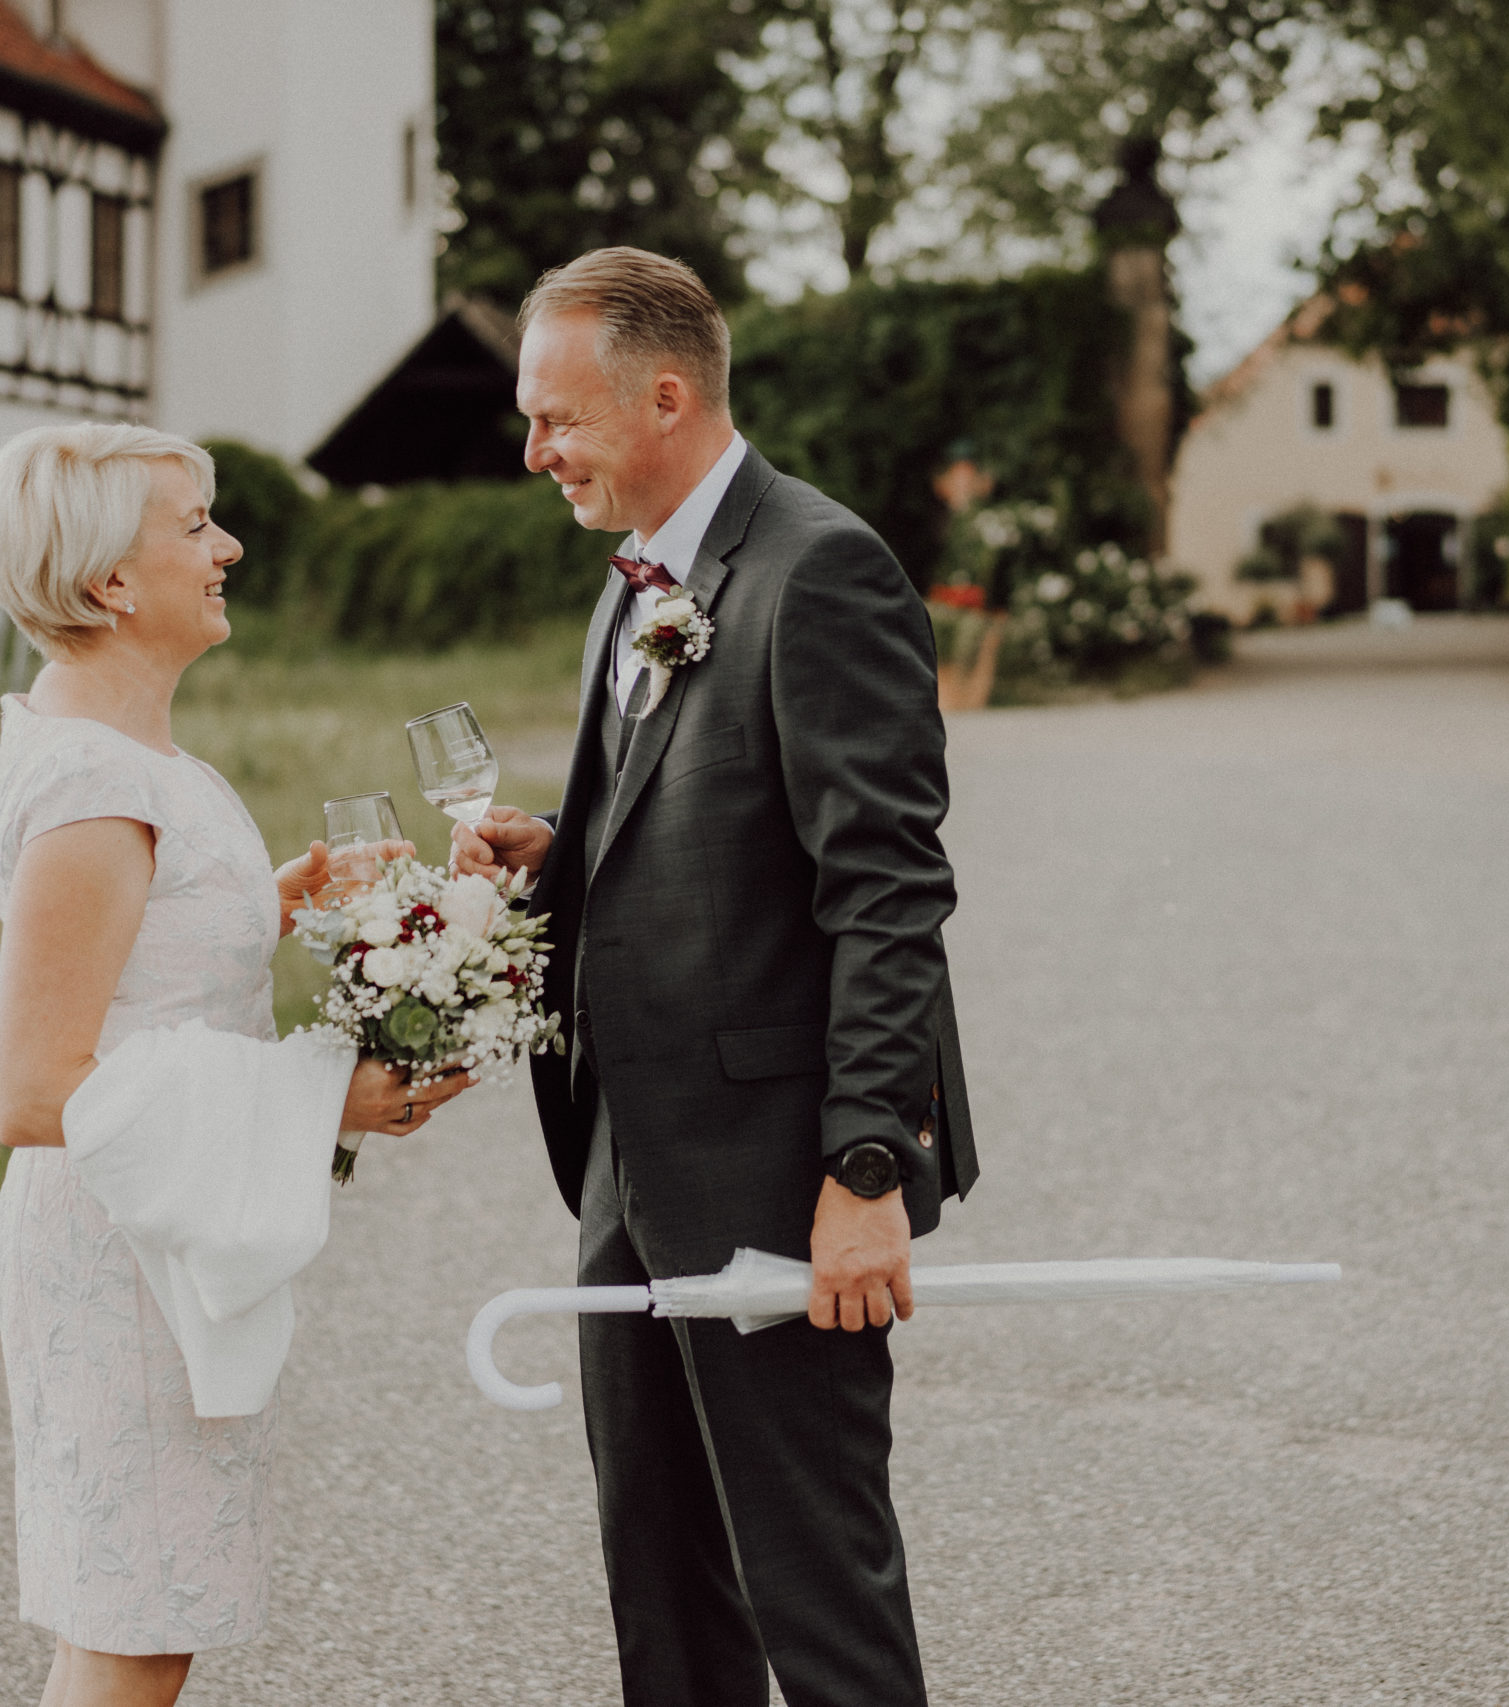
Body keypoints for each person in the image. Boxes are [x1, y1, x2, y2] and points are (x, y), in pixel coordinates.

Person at [453, 247, 979, 1707]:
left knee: (816, 1600)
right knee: (666, 1600)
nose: (534, 450)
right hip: (631, 1168)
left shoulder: (821, 569)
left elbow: (886, 890)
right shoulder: (633, 584)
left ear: (665, 395)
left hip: (776, 1181)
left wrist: (867, 1165)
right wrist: (556, 859)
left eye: (556, 418)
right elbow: (693, 831)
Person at [0, 423, 470, 1707]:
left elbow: (144, 963)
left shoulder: (139, 762)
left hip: (158, 1232)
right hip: (119, 1250)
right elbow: (33, 1089)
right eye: (194, 525)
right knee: (134, 1623)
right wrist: (323, 1096)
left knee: (144, 1614)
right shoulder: (95, 787)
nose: (228, 545)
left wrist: (279, 893)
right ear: (108, 586)